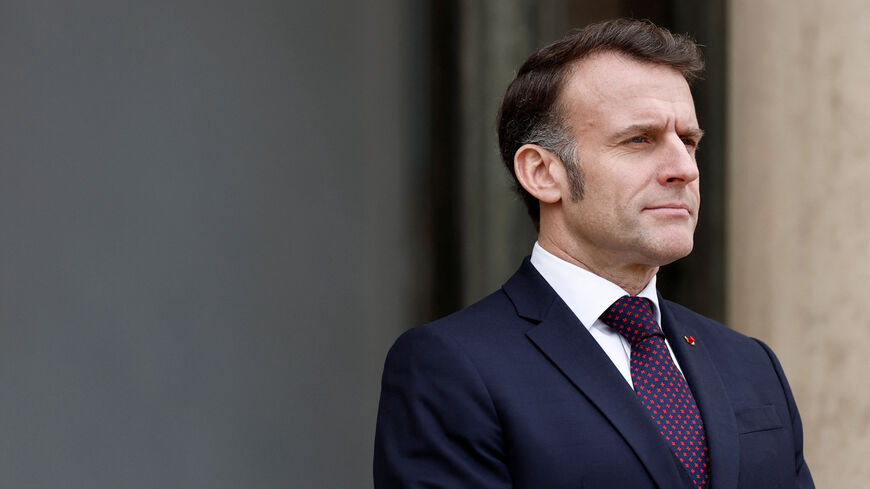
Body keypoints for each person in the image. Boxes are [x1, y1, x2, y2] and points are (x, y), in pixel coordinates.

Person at [374, 18, 814, 489]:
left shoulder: (751, 364)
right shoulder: (451, 367)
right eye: (639, 139)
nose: (684, 169)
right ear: (542, 173)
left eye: (688, 141)